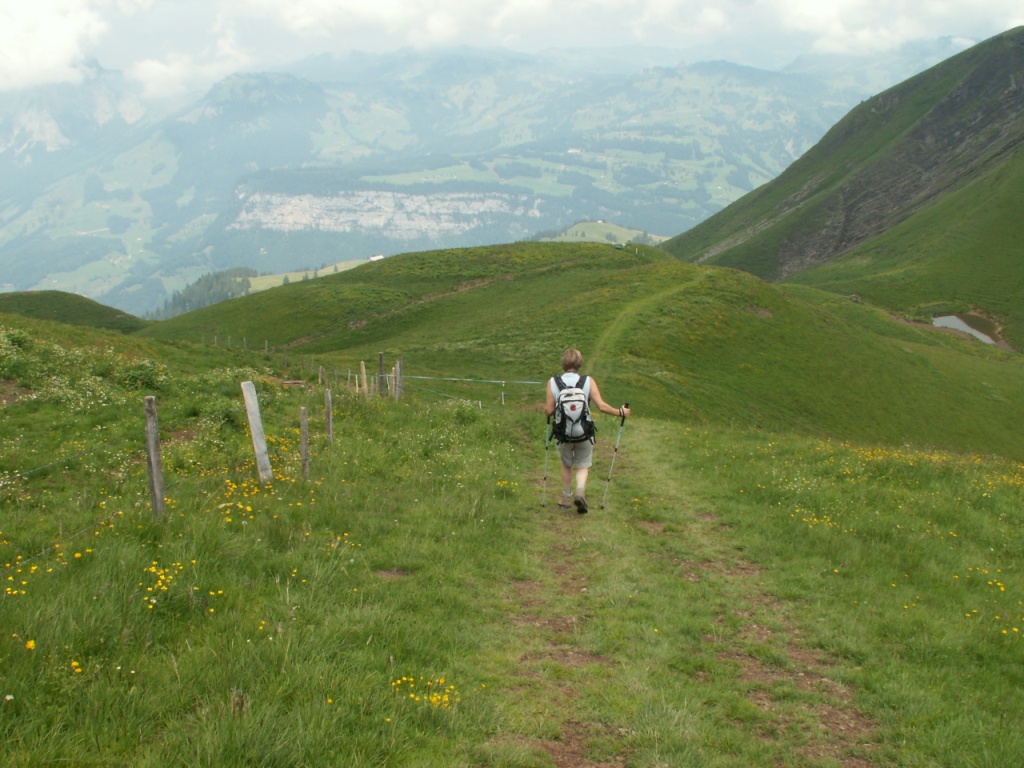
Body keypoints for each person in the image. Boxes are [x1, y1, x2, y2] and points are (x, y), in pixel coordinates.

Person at [544, 348, 630, 514]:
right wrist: (620, 412)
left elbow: (548, 410)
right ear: (580, 363)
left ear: (563, 363)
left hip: (563, 433)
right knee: (583, 465)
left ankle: (566, 497)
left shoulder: (553, 382)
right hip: (584, 432)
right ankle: (580, 491)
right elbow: (602, 406)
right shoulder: (588, 381)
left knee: (566, 465)